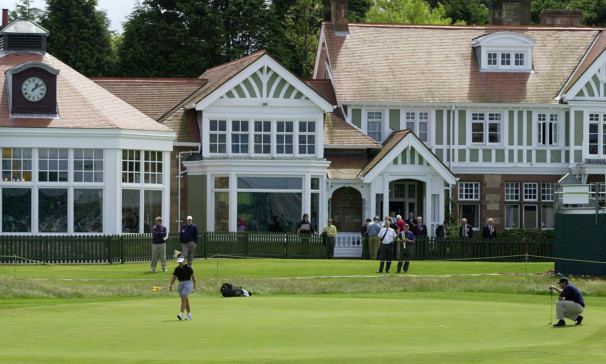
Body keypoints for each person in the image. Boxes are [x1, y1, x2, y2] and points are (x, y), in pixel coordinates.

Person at [169, 251, 197, 321]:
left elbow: (193, 277)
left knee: (183, 298)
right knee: (186, 300)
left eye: (181, 262)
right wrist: (171, 285)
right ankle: (189, 315)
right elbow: (174, 277)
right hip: (180, 284)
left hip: (187, 283)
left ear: (183, 261)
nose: (180, 263)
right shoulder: (177, 269)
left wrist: (195, 286)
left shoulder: (188, 268)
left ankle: (181, 314)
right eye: (179, 262)